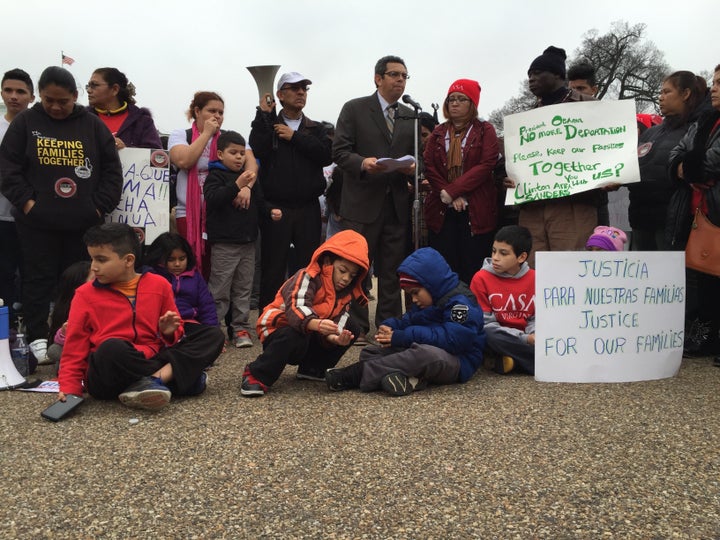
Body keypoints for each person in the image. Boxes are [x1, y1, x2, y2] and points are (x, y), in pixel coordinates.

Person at [0, 66, 122, 365]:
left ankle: (72, 336)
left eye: (62, 101)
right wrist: (28, 203)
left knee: (79, 281)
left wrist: (97, 207)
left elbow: (112, 172)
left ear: (75, 97)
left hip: (82, 223)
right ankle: (37, 337)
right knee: (36, 277)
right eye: (48, 100)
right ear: (39, 96)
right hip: (36, 222)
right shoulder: (26, 122)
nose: (55, 107)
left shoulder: (92, 126)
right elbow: (7, 168)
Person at [56, 223, 225, 410]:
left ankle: (152, 382)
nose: (94, 267)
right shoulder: (84, 294)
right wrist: (70, 389)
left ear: (128, 260)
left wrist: (169, 333)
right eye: (92, 259)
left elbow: (175, 333)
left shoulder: (159, 285)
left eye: (101, 260)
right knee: (111, 347)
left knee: (213, 335)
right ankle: (172, 378)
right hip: (109, 369)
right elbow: (74, 346)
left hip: (150, 358)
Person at [325, 247, 485, 396]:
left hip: (457, 361)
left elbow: (452, 340)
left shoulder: (461, 304)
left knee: (424, 355)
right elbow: (409, 320)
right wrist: (390, 326)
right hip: (427, 350)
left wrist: (402, 336)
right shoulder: (427, 300)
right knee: (370, 353)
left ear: (432, 283)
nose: (414, 299)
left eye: (415, 292)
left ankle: (355, 375)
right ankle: (411, 378)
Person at [332, 55, 416, 340]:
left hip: (396, 206)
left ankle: (387, 325)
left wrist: (415, 167)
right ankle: (354, 326)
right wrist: (363, 163)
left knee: (392, 270)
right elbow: (340, 151)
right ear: (378, 78)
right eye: (394, 75)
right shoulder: (355, 109)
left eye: (404, 76)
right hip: (361, 203)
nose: (400, 80)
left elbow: (421, 157)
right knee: (355, 268)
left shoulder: (409, 114)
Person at [241, 230, 370, 397]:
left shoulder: (346, 292)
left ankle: (312, 368)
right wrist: (317, 324)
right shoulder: (307, 276)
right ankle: (256, 374)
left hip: (311, 332)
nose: (346, 279)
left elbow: (340, 318)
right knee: (295, 332)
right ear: (328, 261)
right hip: (279, 328)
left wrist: (336, 338)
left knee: (351, 327)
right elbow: (296, 307)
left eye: (352, 276)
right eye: (342, 270)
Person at [505, 46, 598, 267]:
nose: (531, 79)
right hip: (533, 208)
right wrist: (509, 178)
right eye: (529, 75)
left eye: (537, 73)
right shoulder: (526, 121)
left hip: (573, 206)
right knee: (534, 272)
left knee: (572, 270)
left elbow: (610, 152)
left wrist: (613, 174)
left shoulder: (591, 108)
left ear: (558, 74)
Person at [249, 72, 332, 311]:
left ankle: (305, 311)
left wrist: (294, 137)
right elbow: (257, 147)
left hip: (308, 207)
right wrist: (263, 114)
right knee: (273, 265)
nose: (300, 93)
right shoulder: (269, 123)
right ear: (280, 95)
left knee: (308, 264)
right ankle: (269, 314)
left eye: (304, 89)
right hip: (276, 207)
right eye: (294, 88)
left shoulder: (316, 128)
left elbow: (326, 155)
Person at [168, 91, 258, 276]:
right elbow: (184, 161)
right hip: (189, 212)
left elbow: (251, 164)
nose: (217, 116)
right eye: (212, 111)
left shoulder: (229, 138)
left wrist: (247, 187)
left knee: (218, 269)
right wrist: (206, 133)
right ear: (197, 111)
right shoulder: (181, 135)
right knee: (190, 263)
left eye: (221, 112)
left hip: (222, 212)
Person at [204, 130, 280, 348]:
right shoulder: (216, 176)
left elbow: (259, 202)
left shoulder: (251, 178)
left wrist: (270, 211)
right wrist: (237, 185)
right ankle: (213, 330)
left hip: (248, 243)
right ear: (219, 154)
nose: (238, 157)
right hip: (225, 243)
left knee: (243, 289)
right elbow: (213, 199)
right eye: (233, 153)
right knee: (219, 289)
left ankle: (240, 328)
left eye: (241, 153)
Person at [423, 78, 499, 284]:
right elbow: (429, 166)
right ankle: (447, 311)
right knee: (445, 267)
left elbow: (486, 164)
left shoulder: (485, 130)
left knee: (472, 267)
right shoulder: (438, 132)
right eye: (451, 99)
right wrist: (448, 193)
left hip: (476, 210)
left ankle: (473, 312)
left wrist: (455, 189)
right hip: (442, 209)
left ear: (472, 104)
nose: (454, 103)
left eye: (461, 99)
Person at [668, 63, 720, 360]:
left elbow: (712, 162)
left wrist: (687, 166)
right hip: (701, 211)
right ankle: (708, 336)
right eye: (713, 81)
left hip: (715, 207)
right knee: (707, 278)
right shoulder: (705, 121)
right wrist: (685, 167)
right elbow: (677, 155)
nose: (714, 88)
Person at [627, 71, 706, 251]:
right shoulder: (651, 132)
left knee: (668, 279)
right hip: (640, 221)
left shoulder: (697, 131)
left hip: (672, 224)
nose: (660, 98)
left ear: (685, 94)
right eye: (660, 92)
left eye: (666, 92)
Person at [470, 225, 535, 375]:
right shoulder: (481, 278)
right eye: (494, 251)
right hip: (500, 337)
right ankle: (537, 363)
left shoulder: (535, 277)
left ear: (521, 257)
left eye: (503, 253)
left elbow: (536, 317)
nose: (495, 257)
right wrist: (526, 339)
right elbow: (486, 324)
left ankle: (506, 362)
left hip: (527, 336)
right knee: (487, 334)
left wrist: (535, 335)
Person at [0, 68, 34, 329]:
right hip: (2, 215)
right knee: (4, 274)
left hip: (33, 216)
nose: (14, 96)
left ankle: (33, 329)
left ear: (32, 97)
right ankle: (8, 328)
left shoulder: (40, 130)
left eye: (20, 92)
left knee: (33, 275)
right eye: (8, 90)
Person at [144, 232, 218, 328]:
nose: (177, 264)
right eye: (171, 260)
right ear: (159, 259)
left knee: (216, 336)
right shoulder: (151, 276)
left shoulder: (195, 277)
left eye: (182, 259)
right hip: (161, 325)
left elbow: (207, 306)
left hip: (190, 323)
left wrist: (211, 330)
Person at [86, 67, 162, 149]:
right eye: (88, 86)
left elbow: (156, 156)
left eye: (94, 85)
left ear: (115, 89)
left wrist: (126, 149)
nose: (89, 90)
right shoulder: (80, 119)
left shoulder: (142, 121)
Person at [46, 261, 94, 367]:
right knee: (54, 350)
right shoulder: (66, 309)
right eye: (94, 279)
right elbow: (58, 344)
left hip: (98, 349)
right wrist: (64, 332)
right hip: (78, 350)